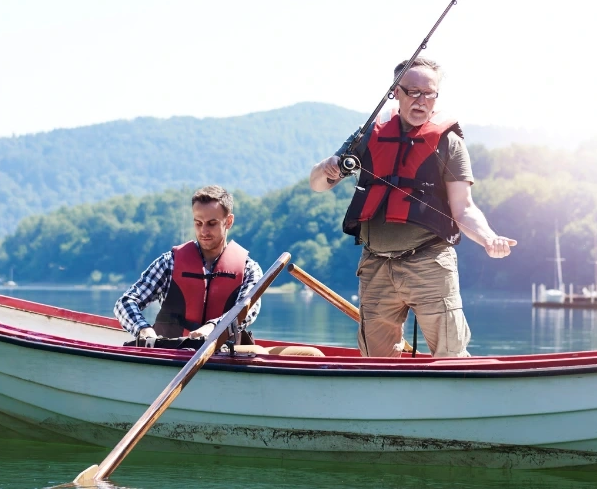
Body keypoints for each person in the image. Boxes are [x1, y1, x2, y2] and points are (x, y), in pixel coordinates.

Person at [308, 57, 516, 358]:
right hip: (375, 265)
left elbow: (465, 208)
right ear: (395, 92)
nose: (421, 100)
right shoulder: (367, 136)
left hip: (430, 264)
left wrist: (488, 238)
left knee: (451, 355)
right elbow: (318, 183)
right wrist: (325, 167)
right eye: (413, 92)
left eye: (429, 93)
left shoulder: (450, 143)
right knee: (375, 362)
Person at [114, 185, 263, 346]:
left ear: (229, 221)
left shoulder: (249, 270)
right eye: (198, 223)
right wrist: (143, 329)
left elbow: (245, 311)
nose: (203, 231)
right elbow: (125, 303)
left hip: (222, 357)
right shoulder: (169, 262)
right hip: (167, 355)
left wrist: (213, 327)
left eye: (212, 223)